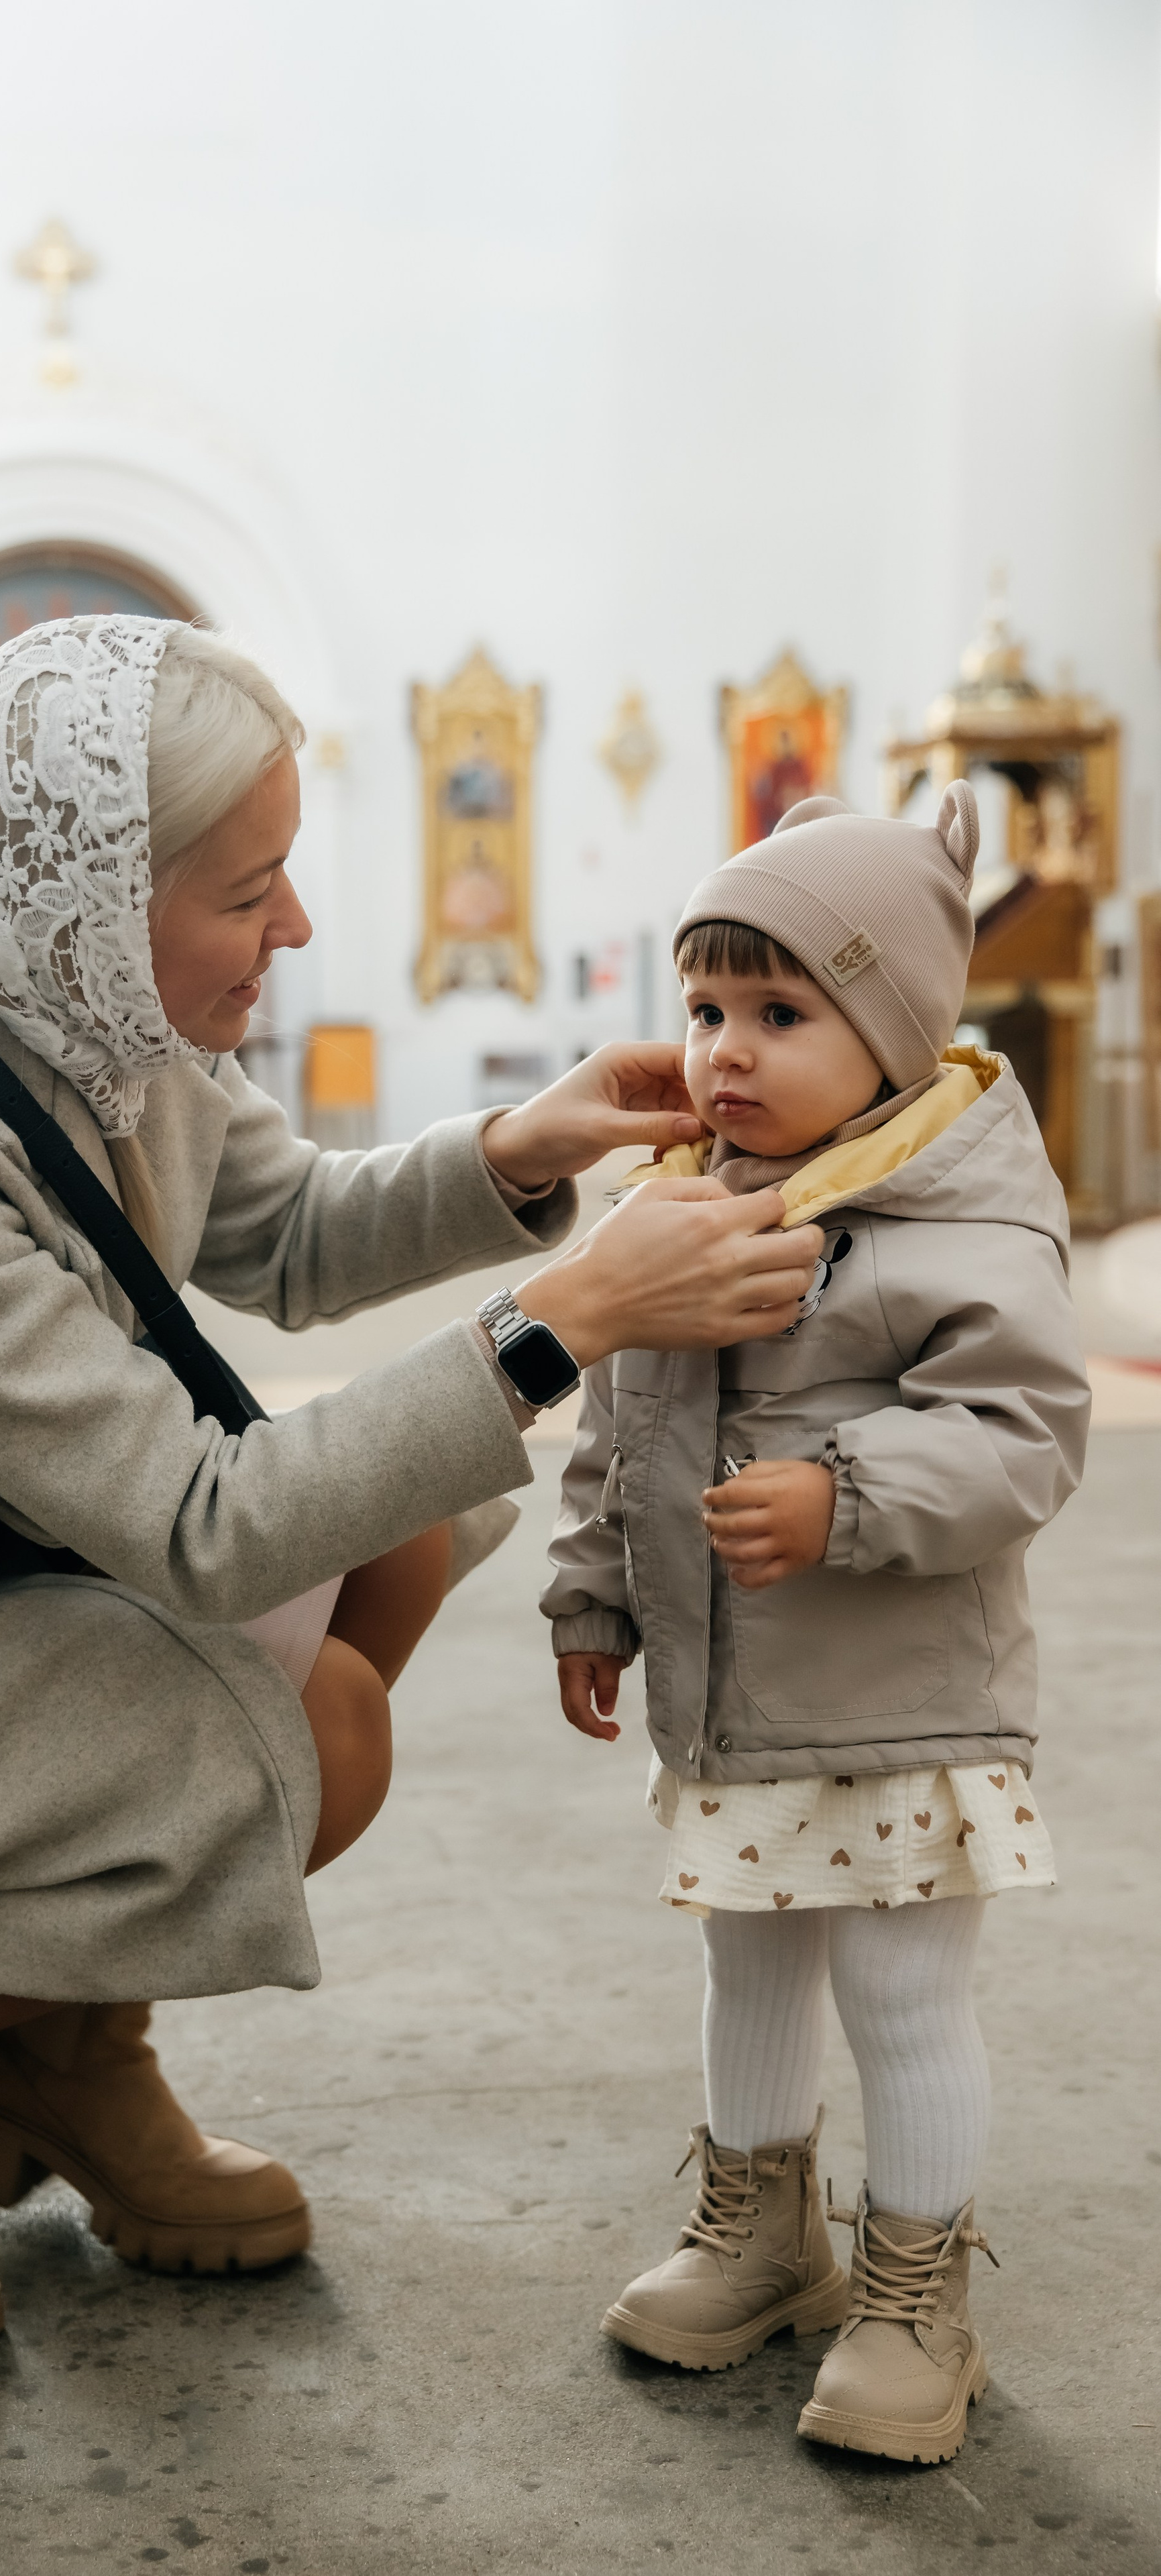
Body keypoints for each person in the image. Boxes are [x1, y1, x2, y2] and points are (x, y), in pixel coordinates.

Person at [0, 615, 822, 2367]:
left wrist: (529, 1146)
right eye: (250, 887)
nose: (296, 928)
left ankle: (56, 2054)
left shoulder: (73, 1004)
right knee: (298, 1740)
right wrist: (565, 1318)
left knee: (393, 1535)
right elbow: (206, 1527)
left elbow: (284, 1231)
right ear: (96, 892)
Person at [543, 784, 1089, 2465]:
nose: (723, 1050)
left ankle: (914, 2292)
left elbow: (1021, 1432)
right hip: (734, 1705)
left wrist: (842, 1494)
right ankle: (758, 2234)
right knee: (747, 1968)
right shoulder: (692, 1198)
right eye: (705, 1008)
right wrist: (593, 1593)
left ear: (897, 1033)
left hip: (900, 1708)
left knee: (903, 1996)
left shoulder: (957, 1218)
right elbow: (619, 1420)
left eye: (779, 1014)